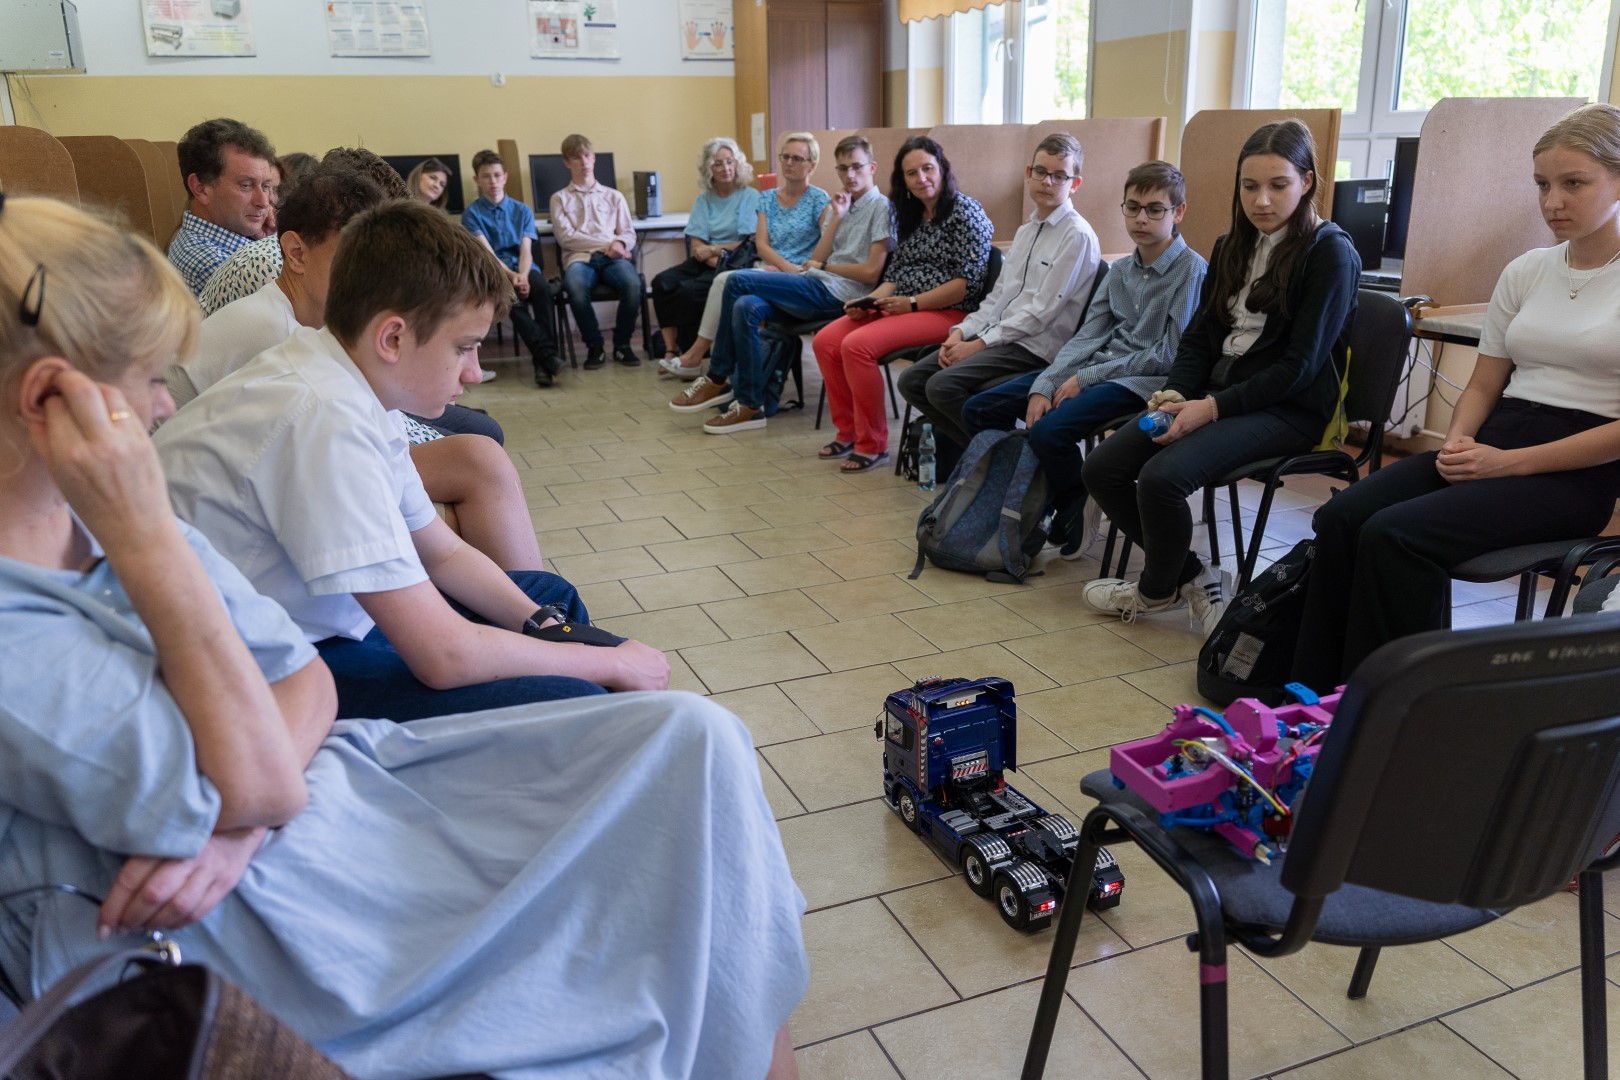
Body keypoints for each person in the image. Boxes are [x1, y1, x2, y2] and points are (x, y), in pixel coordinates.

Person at [0, 193, 808, 1080]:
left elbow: (306, 681)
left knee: (695, 734)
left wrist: (561, 632)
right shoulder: (104, 549)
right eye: (151, 380)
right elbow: (285, 756)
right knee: (627, 774)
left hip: (312, 769)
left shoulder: (110, 512)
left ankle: (725, 1008)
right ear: (51, 401)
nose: (163, 408)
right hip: (282, 869)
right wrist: (148, 538)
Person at [155, 200, 671, 722]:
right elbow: (443, 657)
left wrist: (549, 628)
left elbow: (443, 553)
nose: (474, 373)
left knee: (548, 598)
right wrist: (599, 662)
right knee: (572, 695)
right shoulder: (324, 419)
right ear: (393, 338)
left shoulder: (352, 382)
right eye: (464, 348)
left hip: (317, 622)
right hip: (261, 669)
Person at [1294, 102, 1620, 688]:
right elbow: (1485, 383)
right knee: (1342, 516)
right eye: (1542, 184)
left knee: (1395, 536)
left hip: (1575, 472)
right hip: (1496, 439)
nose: (1552, 201)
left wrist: (1508, 463)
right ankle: (1318, 695)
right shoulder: (1527, 269)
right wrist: (1459, 441)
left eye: (1574, 184)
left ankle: (1406, 704)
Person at [173, 163, 544, 573]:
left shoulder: (315, 326)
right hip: (195, 524)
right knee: (474, 474)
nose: (377, 278)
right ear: (296, 253)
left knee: (478, 456)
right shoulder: (274, 334)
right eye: (354, 259)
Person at [1080, 119, 1359, 634]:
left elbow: (1298, 368)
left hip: (1287, 409)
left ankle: (1154, 590)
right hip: (1217, 395)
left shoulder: (1329, 253)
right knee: (1102, 468)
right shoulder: (1234, 244)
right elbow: (1200, 337)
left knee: (1162, 479)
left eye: (1278, 185)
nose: (1261, 200)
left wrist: (1209, 409)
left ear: (1307, 182)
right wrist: (1179, 392)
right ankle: (1191, 577)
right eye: (1249, 186)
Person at [961, 160, 1207, 558]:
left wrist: (1087, 377)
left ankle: (1074, 500)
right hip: (1094, 369)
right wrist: (1045, 383)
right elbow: (1088, 335)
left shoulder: (1191, 270)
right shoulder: (1120, 270)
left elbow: (1168, 355)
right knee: (980, 408)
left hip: (1142, 382)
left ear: (1178, 212)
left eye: (1154, 209)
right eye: (1132, 207)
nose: (1141, 219)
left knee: (1048, 432)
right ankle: (1032, 496)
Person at [194, 147, 504, 446]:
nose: (380, 277)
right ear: (297, 253)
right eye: (360, 256)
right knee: (478, 448)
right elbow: (338, 423)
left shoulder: (304, 315)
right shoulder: (275, 310)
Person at [897, 133, 1100, 479]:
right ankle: (998, 459)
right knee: (913, 380)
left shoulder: (1076, 236)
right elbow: (998, 297)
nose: (1047, 182)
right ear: (1028, 173)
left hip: (1035, 347)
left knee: (941, 386)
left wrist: (978, 345)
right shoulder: (1027, 230)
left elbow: (1041, 314)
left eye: (1059, 176)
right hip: (1001, 336)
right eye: (1041, 172)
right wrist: (962, 331)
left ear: (1075, 183)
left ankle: (1004, 468)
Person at [668, 134, 891, 434]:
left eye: (856, 167)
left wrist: (822, 267)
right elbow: (818, 256)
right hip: (816, 281)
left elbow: (870, 273)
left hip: (840, 293)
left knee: (735, 281)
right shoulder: (845, 204)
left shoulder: (881, 207)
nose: (849, 175)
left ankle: (717, 375)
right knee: (746, 306)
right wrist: (837, 218)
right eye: (842, 168)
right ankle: (750, 404)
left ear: (872, 167)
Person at [813, 135, 993, 472]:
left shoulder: (966, 211)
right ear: (903, 180)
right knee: (826, 341)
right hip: (903, 303)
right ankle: (848, 432)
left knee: (856, 345)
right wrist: (869, 301)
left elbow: (963, 286)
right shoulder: (910, 214)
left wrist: (911, 303)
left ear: (942, 169)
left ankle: (872, 445)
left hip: (948, 313)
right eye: (912, 173)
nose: (921, 178)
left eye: (927, 168)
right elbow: (894, 276)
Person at [659, 131, 832, 381]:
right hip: (768, 268)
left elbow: (826, 245)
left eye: (797, 158)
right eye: (785, 157)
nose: (789, 163)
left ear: (812, 165)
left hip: (799, 274)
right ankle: (726, 371)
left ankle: (701, 359)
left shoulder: (819, 199)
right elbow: (761, 244)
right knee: (724, 289)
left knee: (724, 280)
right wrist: (778, 266)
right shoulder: (768, 198)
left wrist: (790, 269)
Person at [651, 137, 760, 361]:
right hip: (707, 260)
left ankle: (693, 354)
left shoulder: (750, 196)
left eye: (729, 161)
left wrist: (713, 250)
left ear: (737, 164)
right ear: (709, 169)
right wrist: (709, 255)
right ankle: (670, 349)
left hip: (735, 260)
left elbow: (747, 242)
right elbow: (696, 243)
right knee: (661, 282)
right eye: (718, 163)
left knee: (687, 291)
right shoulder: (704, 199)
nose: (725, 168)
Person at [461, 149, 562, 387]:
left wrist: (523, 275)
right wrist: (512, 276)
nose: (493, 181)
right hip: (496, 272)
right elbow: (488, 254)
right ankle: (547, 358)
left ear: (505, 176)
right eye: (486, 176)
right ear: (477, 179)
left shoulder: (522, 210)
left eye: (497, 175)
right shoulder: (471, 214)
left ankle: (543, 362)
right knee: (512, 300)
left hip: (525, 268)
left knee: (542, 290)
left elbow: (526, 249)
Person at [551, 133, 642, 369]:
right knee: (575, 288)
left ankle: (622, 345)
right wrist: (609, 243)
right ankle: (595, 346)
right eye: (576, 157)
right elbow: (567, 238)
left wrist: (620, 244)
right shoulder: (559, 199)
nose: (583, 162)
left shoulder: (614, 196)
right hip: (579, 259)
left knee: (633, 285)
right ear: (566, 162)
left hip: (613, 258)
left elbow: (628, 233)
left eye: (587, 155)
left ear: (594, 158)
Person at [166, 117, 278, 296]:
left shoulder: (241, 239)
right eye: (246, 185)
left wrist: (267, 242)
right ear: (201, 188)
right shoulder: (212, 261)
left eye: (266, 186)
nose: (263, 202)